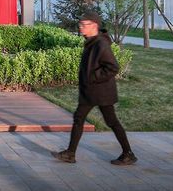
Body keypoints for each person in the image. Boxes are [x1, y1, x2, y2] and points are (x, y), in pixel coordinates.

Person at [52, 10, 137, 166]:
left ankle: (128, 154)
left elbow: (113, 67)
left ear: (94, 25)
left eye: (84, 25)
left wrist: (93, 77)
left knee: (111, 121)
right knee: (80, 118)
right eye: (81, 24)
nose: (81, 27)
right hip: (91, 91)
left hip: (100, 92)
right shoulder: (91, 42)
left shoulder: (101, 44)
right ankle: (70, 153)